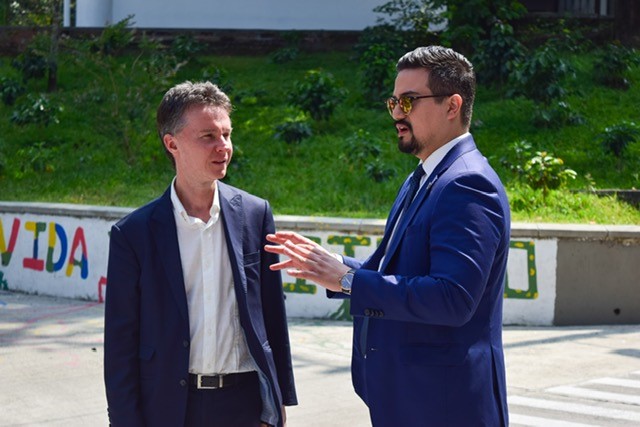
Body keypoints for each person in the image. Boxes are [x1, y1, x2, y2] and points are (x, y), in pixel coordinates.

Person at [265, 45, 510, 426]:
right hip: (411, 401)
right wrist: (333, 266)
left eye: (409, 101)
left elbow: (452, 298)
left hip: (445, 408)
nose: (397, 113)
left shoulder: (467, 184)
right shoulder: (422, 178)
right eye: (394, 102)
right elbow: (398, 271)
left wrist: (349, 280)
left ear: (452, 105)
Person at [104, 81, 297, 427]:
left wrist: (278, 401)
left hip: (244, 404)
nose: (223, 146)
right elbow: (120, 345)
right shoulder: (133, 234)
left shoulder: (255, 214)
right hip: (168, 407)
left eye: (227, 134)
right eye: (208, 136)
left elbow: (271, 314)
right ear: (172, 143)